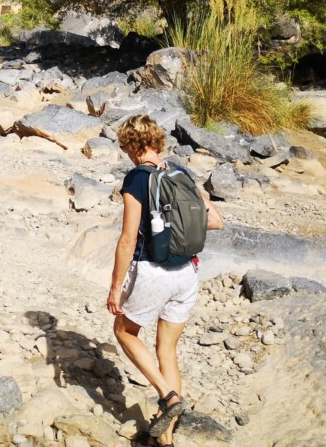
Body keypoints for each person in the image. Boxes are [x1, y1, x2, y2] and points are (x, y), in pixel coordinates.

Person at [107, 114, 223, 445]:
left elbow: (128, 239)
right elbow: (215, 221)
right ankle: (166, 439)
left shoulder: (137, 179)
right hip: (187, 273)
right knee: (167, 350)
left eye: (125, 146)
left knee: (124, 331)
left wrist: (116, 288)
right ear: (157, 142)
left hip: (153, 272)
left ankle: (168, 397)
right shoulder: (180, 172)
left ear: (131, 145)